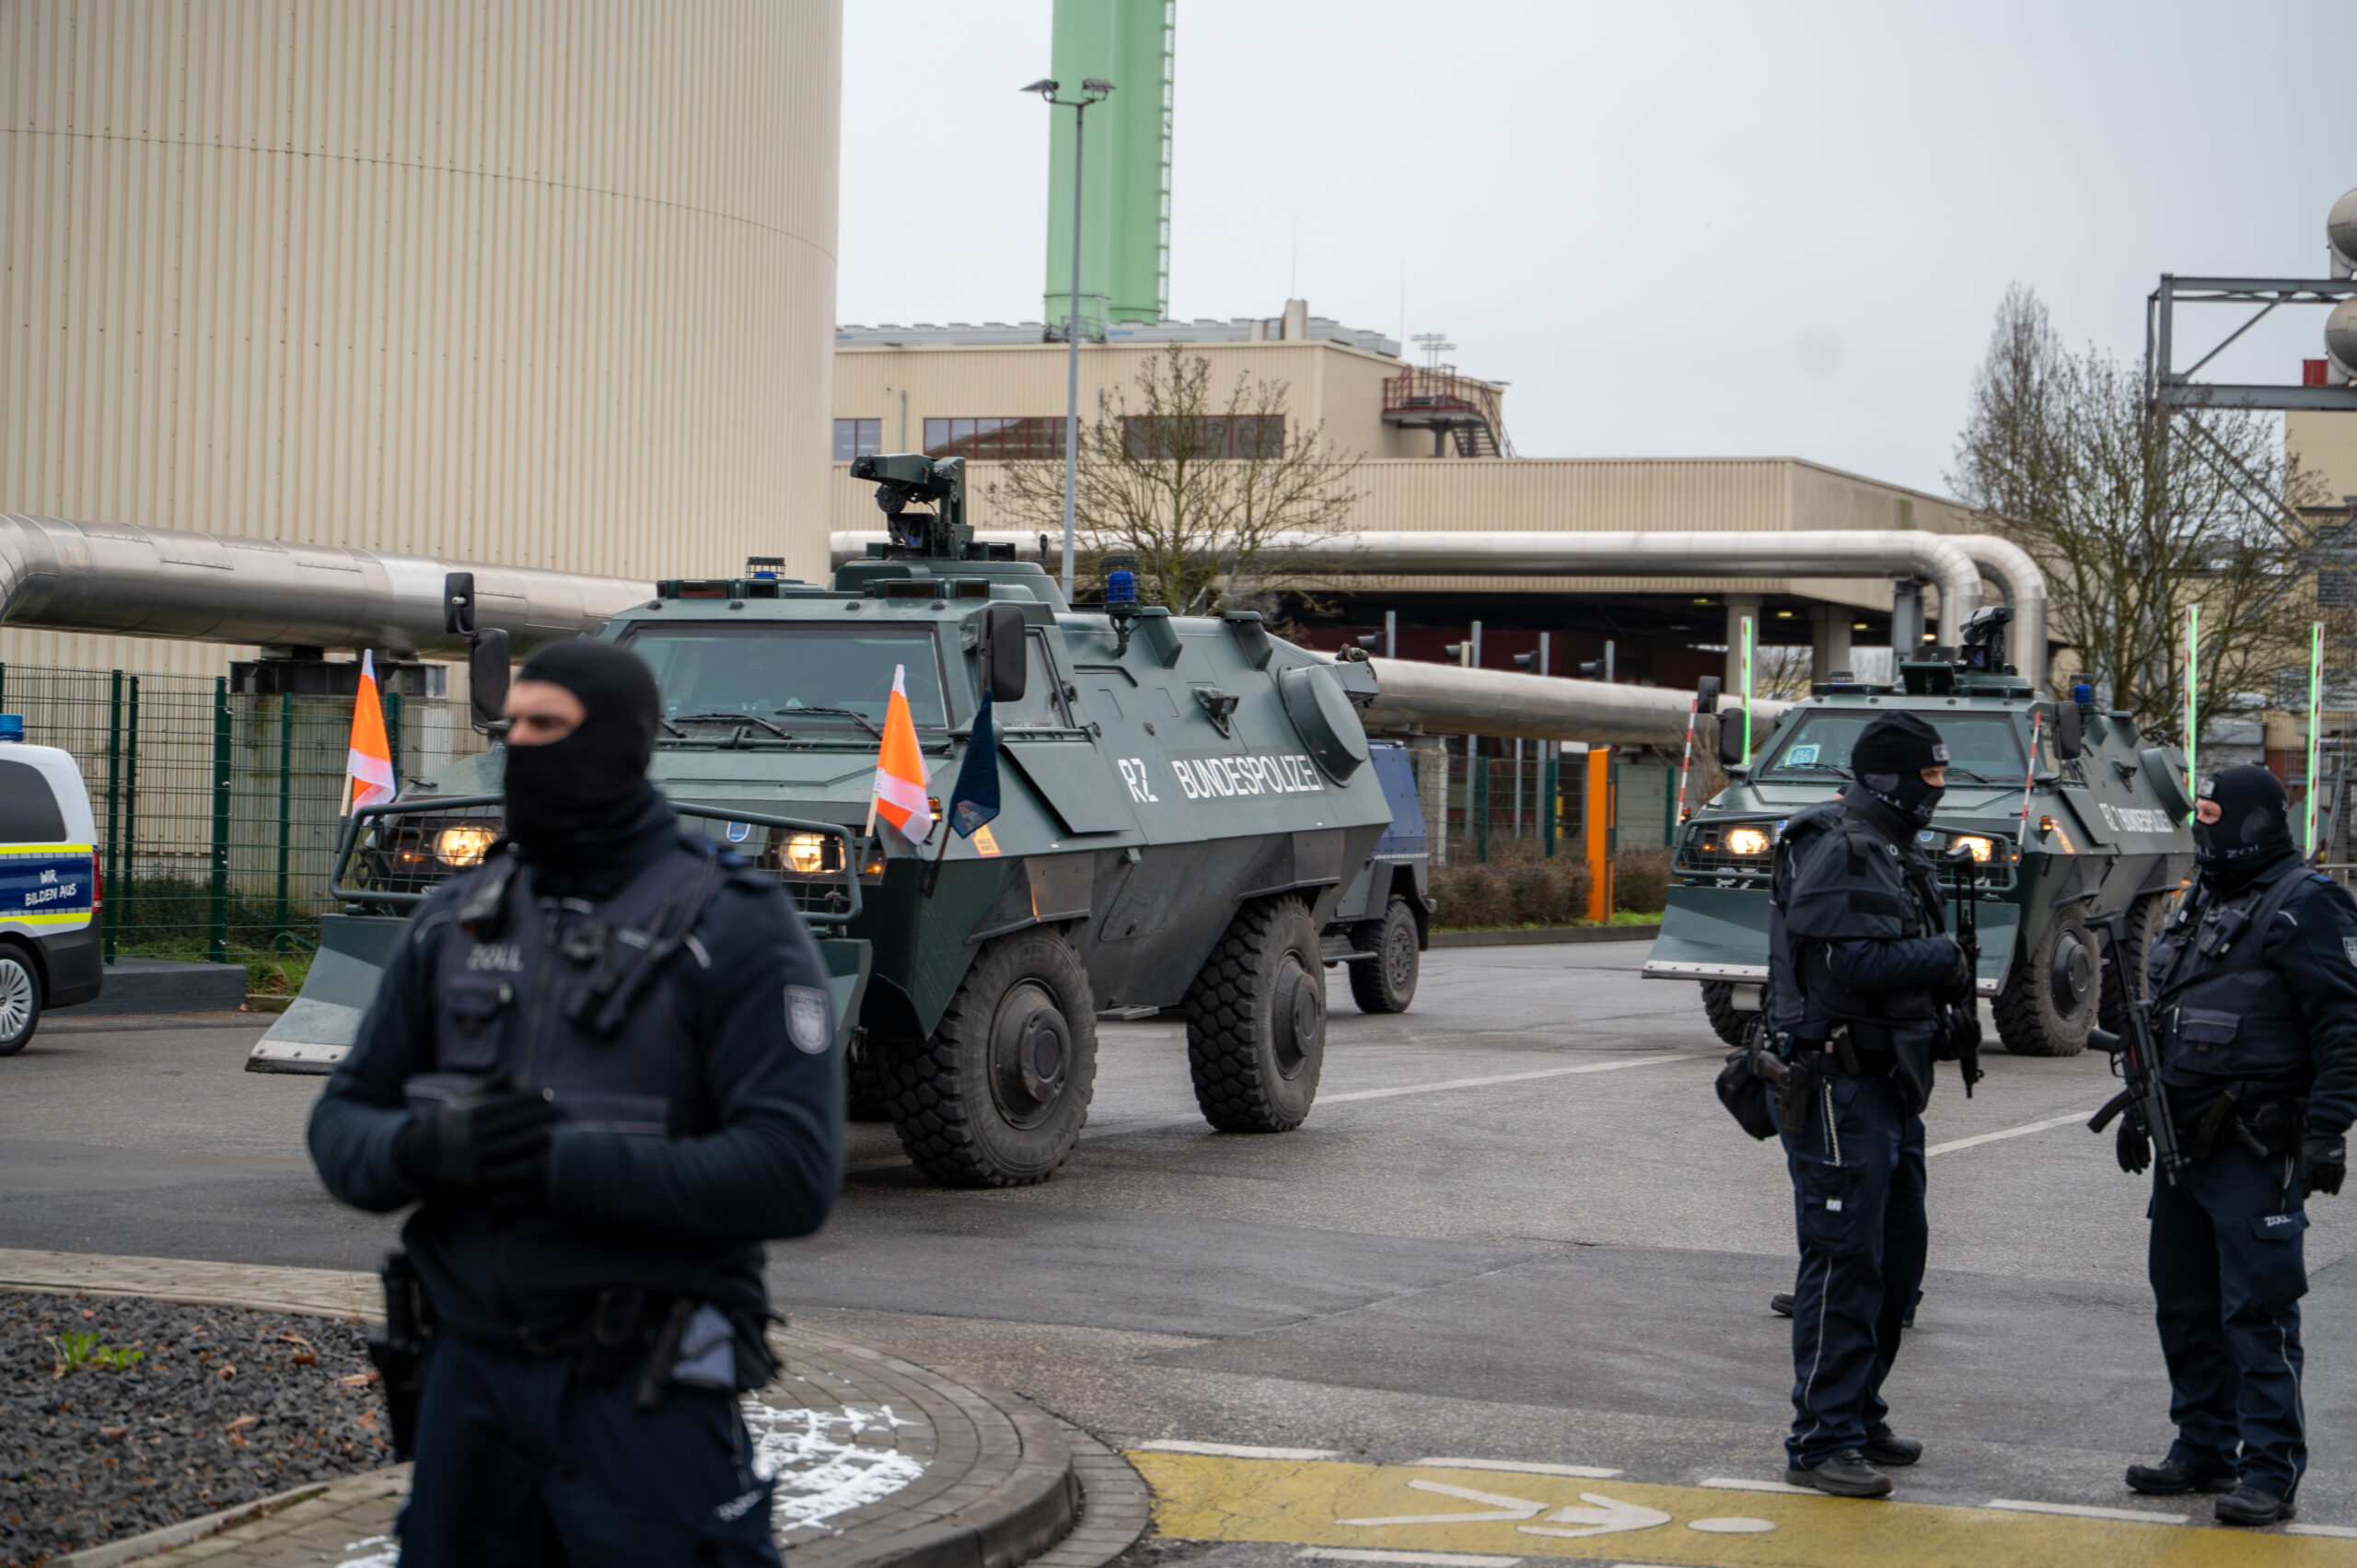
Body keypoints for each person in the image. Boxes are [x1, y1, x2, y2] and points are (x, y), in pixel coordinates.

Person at [308, 639, 844, 1565]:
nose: (519, 743)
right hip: (467, 1385)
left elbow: (793, 1171)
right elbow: (340, 1125)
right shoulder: (456, 919)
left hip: (644, 1392)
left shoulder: (736, 922)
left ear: (621, 743)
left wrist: (561, 1160)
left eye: (546, 725)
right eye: (510, 724)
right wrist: (433, 1148)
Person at [2120, 764, 2357, 1527]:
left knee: (2257, 1309)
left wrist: (2328, 1127)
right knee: (2184, 1301)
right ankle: (2203, 1445)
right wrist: (2135, 1106)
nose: (2205, 828)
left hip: (2257, 1141)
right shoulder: (2206, 898)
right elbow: (2167, 1013)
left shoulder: (2307, 902)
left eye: (2217, 814)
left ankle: (2270, 1468)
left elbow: (2343, 1022)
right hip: (2183, 1140)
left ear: (2257, 820)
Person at [1763, 711, 1972, 1498]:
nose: (1939, 790)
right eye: (1931, 775)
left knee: (1894, 1255)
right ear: (1889, 777)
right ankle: (1820, 1439)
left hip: (1885, 1084)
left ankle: (1857, 1408)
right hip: (1836, 1083)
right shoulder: (1840, 843)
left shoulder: (1887, 846)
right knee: (1844, 1256)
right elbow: (1851, 960)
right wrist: (1946, 958)